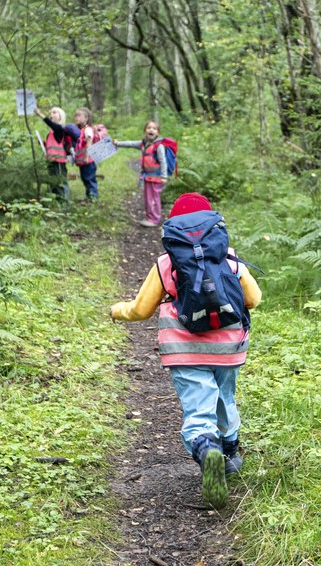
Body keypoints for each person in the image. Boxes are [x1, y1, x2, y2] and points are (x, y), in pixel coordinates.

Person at [109, 193, 262, 510]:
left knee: (198, 407)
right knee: (225, 396)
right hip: (229, 346)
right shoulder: (230, 259)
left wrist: (117, 310)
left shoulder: (166, 264)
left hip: (184, 348)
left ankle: (207, 450)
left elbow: (141, 310)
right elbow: (253, 299)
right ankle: (230, 453)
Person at [115, 120, 171, 227]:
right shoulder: (143, 143)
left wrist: (164, 176)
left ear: (158, 133)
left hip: (156, 177)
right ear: (145, 131)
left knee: (154, 199)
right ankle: (150, 217)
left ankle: (154, 219)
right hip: (147, 177)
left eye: (154, 128)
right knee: (148, 198)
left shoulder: (159, 146)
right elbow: (130, 143)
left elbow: (163, 161)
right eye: (149, 128)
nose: (151, 130)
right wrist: (117, 143)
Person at [40, 107, 79, 203]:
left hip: (58, 161)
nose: (51, 114)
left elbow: (50, 123)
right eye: (51, 113)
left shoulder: (59, 129)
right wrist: (44, 144)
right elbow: (54, 144)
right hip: (51, 161)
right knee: (54, 181)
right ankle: (59, 200)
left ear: (61, 116)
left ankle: (64, 201)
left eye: (54, 112)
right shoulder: (51, 132)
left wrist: (39, 114)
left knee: (61, 181)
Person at [70, 107, 100, 202]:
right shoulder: (82, 130)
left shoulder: (87, 129)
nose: (76, 117)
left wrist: (87, 156)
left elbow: (89, 141)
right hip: (84, 161)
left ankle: (93, 197)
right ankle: (89, 196)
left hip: (88, 160)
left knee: (89, 178)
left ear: (86, 118)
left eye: (79, 115)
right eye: (75, 115)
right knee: (85, 178)